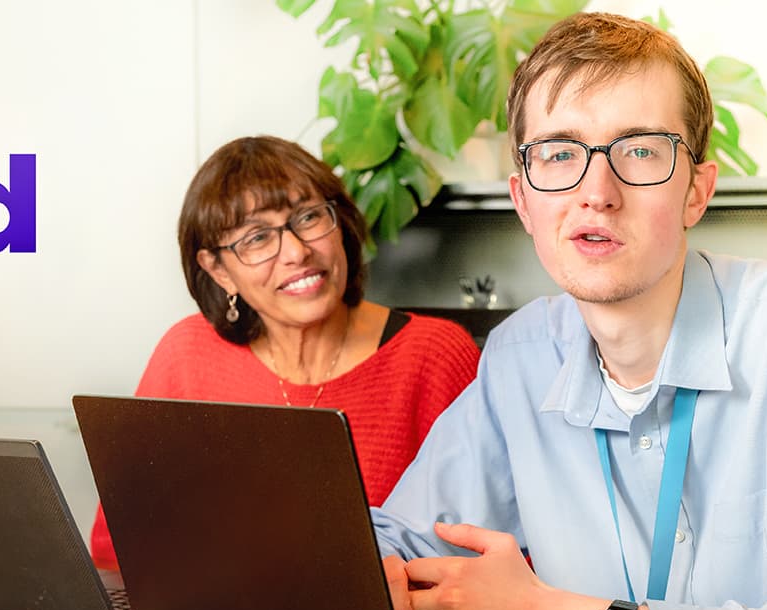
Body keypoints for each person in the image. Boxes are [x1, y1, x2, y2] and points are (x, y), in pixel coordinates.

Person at [368, 12, 767, 610]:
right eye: (560, 153)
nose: (596, 191)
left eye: (641, 150)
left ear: (696, 193)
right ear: (523, 200)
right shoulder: (522, 356)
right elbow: (406, 544)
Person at [87, 136, 481, 570]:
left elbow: (486, 554)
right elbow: (116, 551)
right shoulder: (184, 355)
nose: (296, 252)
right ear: (219, 271)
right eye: (256, 238)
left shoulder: (436, 354)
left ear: (340, 223)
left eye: (309, 217)